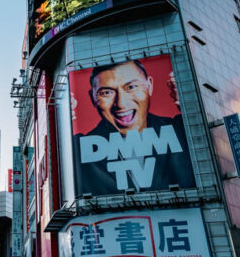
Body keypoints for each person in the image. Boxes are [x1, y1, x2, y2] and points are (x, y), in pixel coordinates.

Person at [72, 59, 193, 194]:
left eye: (131, 87)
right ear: (92, 98)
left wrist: (190, 103)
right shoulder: (78, 149)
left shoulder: (180, 129)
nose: (121, 103)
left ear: (150, 86)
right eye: (106, 92)